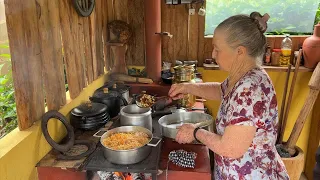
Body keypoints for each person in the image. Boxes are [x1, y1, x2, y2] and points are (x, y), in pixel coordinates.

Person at [168, 12, 289, 179]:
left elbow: (231, 148)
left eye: (217, 49)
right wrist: (187, 87)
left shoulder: (250, 89)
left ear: (240, 51)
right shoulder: (245, 76)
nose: (213, 54)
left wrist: (196, 132)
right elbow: (221, 91)